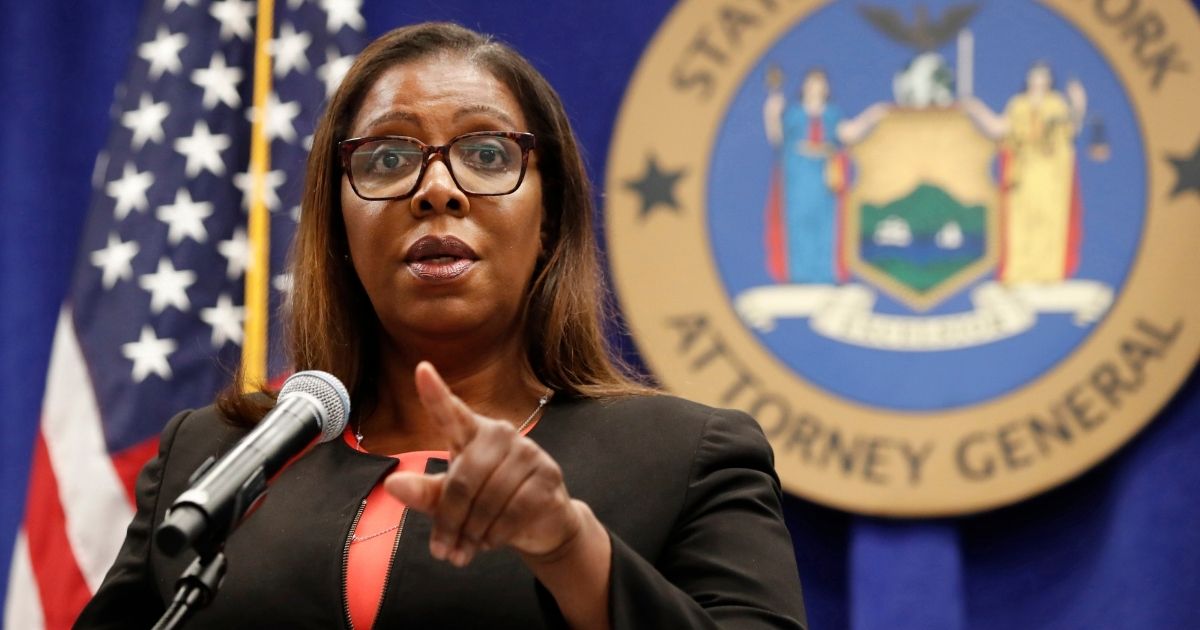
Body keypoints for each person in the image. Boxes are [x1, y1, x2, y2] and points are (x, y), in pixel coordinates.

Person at [76, 22, 806, 629]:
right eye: (388, 157)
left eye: (487, 154)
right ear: (337, 223)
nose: (436, 190)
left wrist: (568, 546)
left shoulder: (686, 457)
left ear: (549, 219)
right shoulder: (214, 457)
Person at [963, 61, 1087, 284]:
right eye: (1035, 76)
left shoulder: (1056, 104)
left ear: (1049, 80)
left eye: (1043, 77)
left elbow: (1071, 129)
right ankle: (1020, 271)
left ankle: (1047, 272)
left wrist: (1079, 103)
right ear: (1029, 79)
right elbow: (999, 129)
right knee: (1021, 220)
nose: (1039, 81)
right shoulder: (1018, 105)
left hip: (1050, 174)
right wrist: (976, 109)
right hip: (1023, 173)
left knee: (1048, 219)